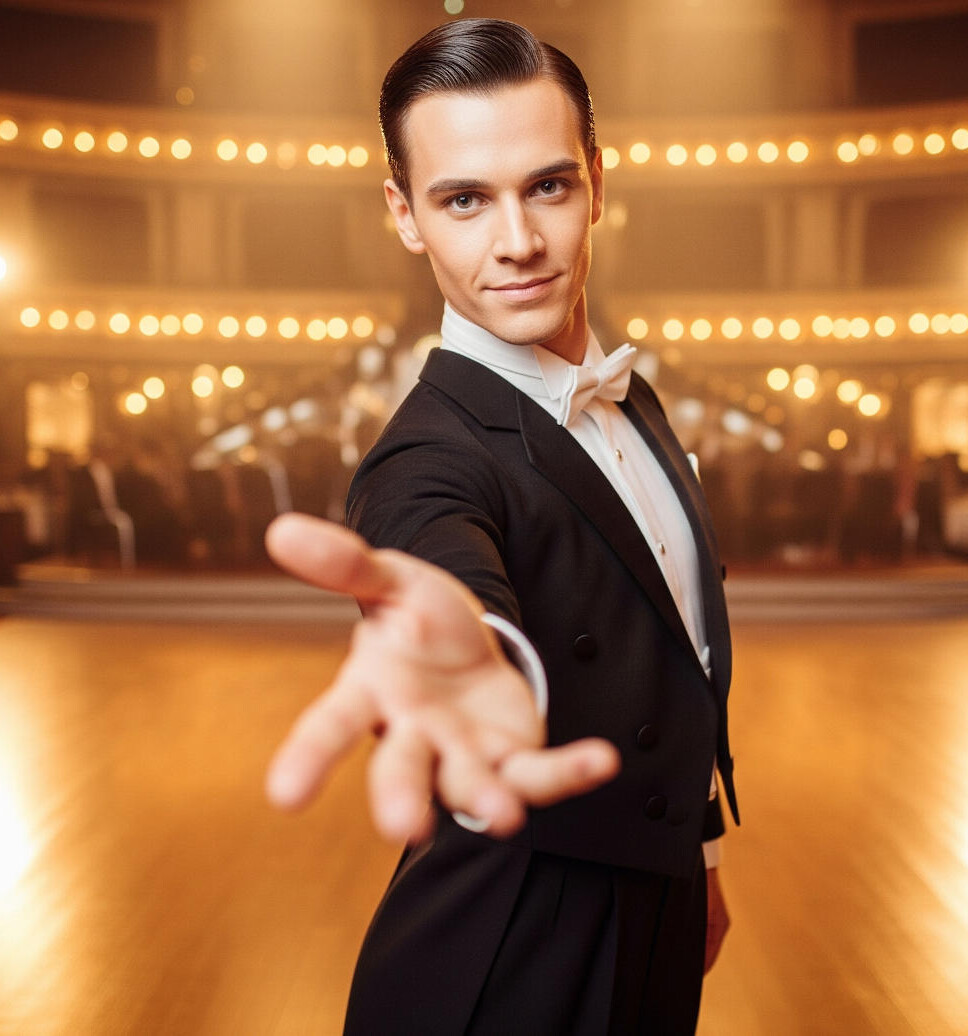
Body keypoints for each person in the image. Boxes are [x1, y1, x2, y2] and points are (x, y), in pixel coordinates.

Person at [263, 19, 737, 1033]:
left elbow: (669, 655)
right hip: (510, 946)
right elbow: (444, 580)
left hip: (654, 899)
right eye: (464, 199)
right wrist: (480, 665)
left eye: (547, 187)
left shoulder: (632, 400)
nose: (515, 241)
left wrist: (694, 854)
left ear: (597, 186)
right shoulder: (423, 460)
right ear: (404, 214)